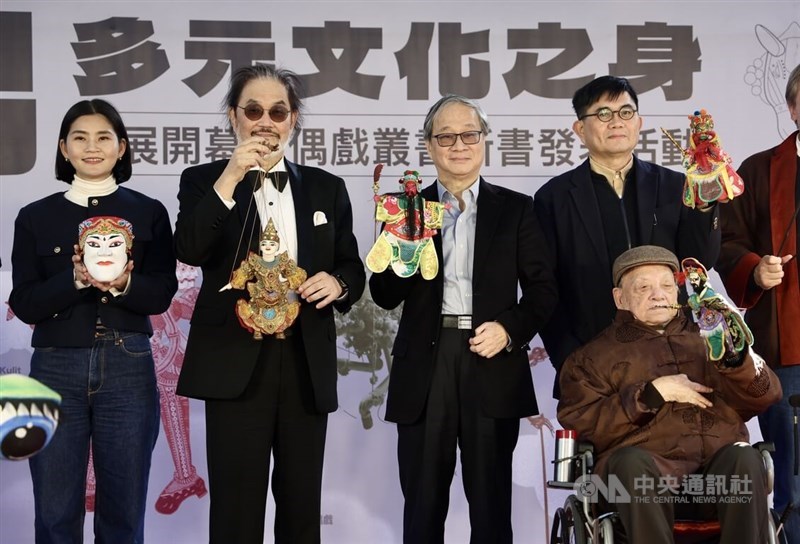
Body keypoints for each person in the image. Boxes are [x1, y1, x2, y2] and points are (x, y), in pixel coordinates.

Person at [174, 65, 365, 544]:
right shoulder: (203, 181)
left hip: (305, 361)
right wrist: (233, 174)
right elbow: (191, 248)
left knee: (302, 508)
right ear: (234, 117)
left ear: (293, 118)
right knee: (236, 512)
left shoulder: (326, 187)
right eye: (253, 110)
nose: (265, 121)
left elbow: (352, 266)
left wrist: (338, 283)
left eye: (277, 111)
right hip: (235, 364)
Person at [369, 94, 558, 544]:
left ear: (484, 141)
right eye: (445, 136)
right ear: (430, 146)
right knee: (422, 502)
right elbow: (383, 294)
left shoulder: (516, 209)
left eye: (469, 134)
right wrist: (405, 245)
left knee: (491, 505)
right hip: (426, 364)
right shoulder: (403, 208)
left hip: (490, 358)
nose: (458, 145)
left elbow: (543, 290)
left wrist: (509, 330)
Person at [9, 99, 178, 542]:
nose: (92, 147)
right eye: (80, 138)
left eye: (104, 137)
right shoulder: (34, 217)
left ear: (121, 148)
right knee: (54, 509)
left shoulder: (149, 212)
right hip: (53, 367)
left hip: (128, 364)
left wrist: (123, 283)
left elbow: (162, 293)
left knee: (123, 509)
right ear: (64, 149)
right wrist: (75, 279)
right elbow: (24, 302)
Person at [558, 245, 782, 544]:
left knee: (744, 457)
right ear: (619, 298)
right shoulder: (591, 357)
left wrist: (736, 360)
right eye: (643, 287)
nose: (658, 294)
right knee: (630, 462)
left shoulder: (710, 335)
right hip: (638, 487)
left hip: (715, 483)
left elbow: (767, 395)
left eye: (666, 285)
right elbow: (581, 422)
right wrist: (651, 394)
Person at [534, 75, 721, 397]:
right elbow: (544, 286)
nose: (616, 122)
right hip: (593, 357)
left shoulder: (675, 185)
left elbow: (700, 261)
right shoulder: (554, 197)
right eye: (603, 114)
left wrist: (704, 206)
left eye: (625, 112)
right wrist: (569, 359)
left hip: (674, 354)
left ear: (639, 122)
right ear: (580, 129)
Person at [716, 63, 800, 541]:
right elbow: (726, 242)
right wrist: (755, 268)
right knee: (791, 476)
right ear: (791, 108)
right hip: (787, 348)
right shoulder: (760, 170)